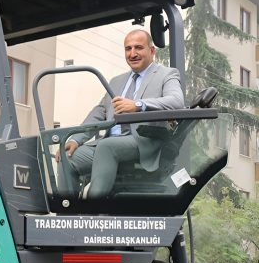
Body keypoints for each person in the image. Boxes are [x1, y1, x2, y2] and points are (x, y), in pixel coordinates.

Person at [62, 29, 184, 198]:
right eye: (128, 49)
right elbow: (100, 112)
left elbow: (177, 102)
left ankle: (93, 213)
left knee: (107, 147)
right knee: (67, 157)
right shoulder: (116, 81)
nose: (132, 53)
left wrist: (139, 105)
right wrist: (76, 138)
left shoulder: (166, 74)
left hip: (143, 142)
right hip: (109, 142)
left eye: (138, 48)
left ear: (152, 50)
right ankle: (68, 213)